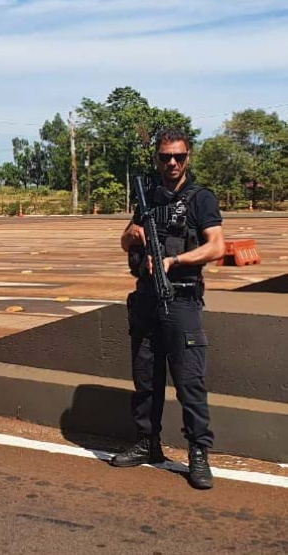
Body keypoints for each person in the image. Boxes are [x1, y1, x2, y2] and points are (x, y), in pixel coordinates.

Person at [112, 129, 226, 490]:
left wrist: (173, 260)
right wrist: (133, 235)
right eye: (165, 157)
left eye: (178, 156)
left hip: (181, 301)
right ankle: (148, 443)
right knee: (146, 378)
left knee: (189, 382)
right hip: (146, 300)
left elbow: (216, 247)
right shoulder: (148, 196)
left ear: (188, 157)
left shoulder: (200, 199)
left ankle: (197, 452)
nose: (172, 163)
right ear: (158, 159)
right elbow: (125, 239)